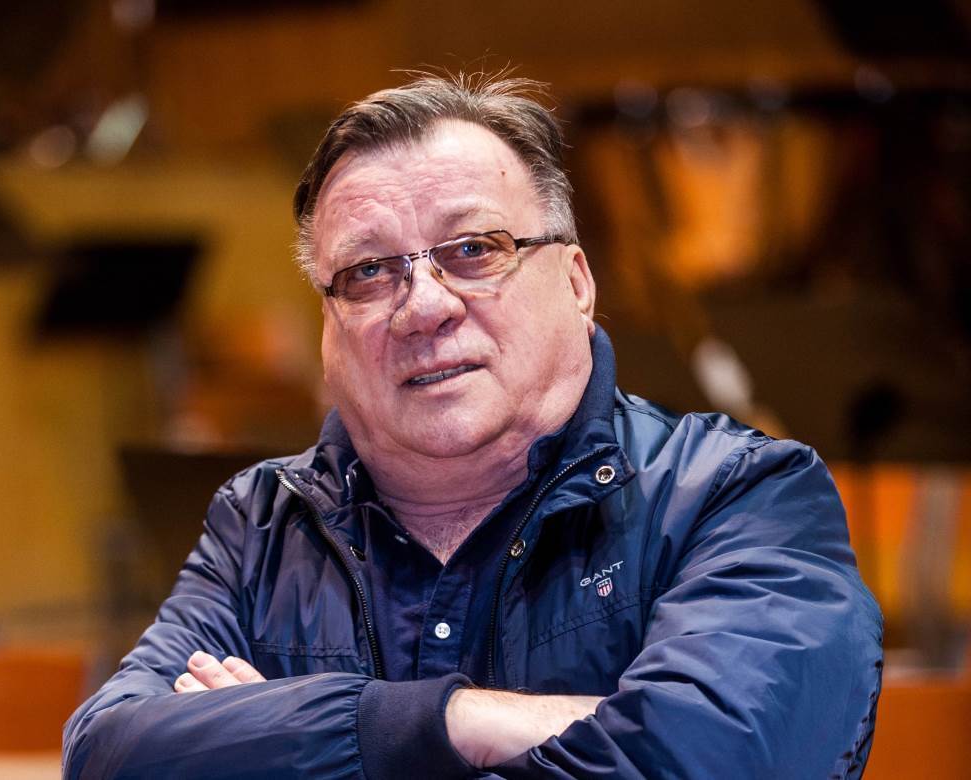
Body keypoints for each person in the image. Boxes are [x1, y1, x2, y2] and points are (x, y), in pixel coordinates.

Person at [63, 73, 883, 779]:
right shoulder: (262, 523)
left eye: (473, 250)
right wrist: (457, 721)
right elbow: (108, 752)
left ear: (577, 281)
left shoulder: (739, 497)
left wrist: (289, 737)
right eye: (369, 271)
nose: (423, 306)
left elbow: (719, 760)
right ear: (327, 330)